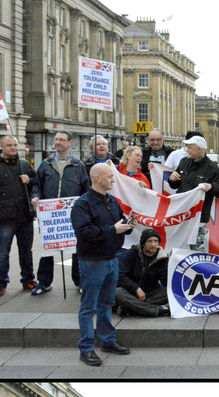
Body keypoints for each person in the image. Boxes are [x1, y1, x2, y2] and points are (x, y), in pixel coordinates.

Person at [70, 162, 133, 366]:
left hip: (111, 258)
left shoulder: (112, 201)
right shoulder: (83, 204)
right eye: (109, 177)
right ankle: (86, 348)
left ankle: (107, 340)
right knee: (89, 306)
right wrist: (112, 230)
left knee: (107, 303)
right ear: (97, 179)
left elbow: (119, 224)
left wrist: (129, 225)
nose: (113, 180)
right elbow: (84, 233)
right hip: (92, 261)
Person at [31, 130, 89, 295]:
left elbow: (86, 189)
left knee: (76, 249)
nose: (58, 143)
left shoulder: (79, 166)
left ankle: (79, 282)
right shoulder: (46, 164)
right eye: (56, 139)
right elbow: (37, 185)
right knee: (47, 249)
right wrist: (36, 197)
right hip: (50, 215)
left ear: (70, 143)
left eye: (62, 140)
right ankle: (44, 282)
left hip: (72, 214)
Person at [168, 135, 219, 250]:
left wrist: (211, 186)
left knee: (196, 249)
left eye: (190, 147)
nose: (187, 150)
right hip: (181, 214)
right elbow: (176, 185)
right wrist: (172, 179)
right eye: (187, 147)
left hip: (198, 217)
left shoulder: (212, 168)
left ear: (200, 149)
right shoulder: (184, 162)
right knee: (178, 247)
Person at [0, 135, 36, 296]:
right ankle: (2, 282)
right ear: (1, 146)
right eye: (9, 145)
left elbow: (37, 183)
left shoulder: (24, 165)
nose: (13, 147)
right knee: (2, 252)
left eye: (15, 145)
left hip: (25, 216)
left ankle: (28, 279)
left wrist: (29, 180)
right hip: (4, 218)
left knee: (26, 251)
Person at [116, 228, 170, 318]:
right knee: (117, 292)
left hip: (149, 293)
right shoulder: (132, 253)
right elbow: (119, 274)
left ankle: (130, 308)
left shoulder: (162, 258)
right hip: (129, 292)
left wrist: (169, 263)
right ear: (143, 243)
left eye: (156, 241)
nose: (153, 244)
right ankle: (156, 310)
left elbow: (165, 282)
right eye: (149, 241)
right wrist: (136, 288)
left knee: (169, 293)